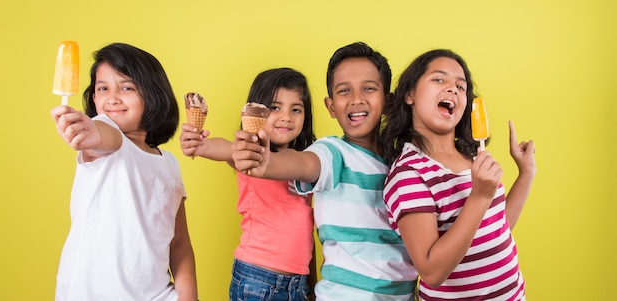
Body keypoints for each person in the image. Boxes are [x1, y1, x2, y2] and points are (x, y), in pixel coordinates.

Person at [231, 42, 418, 301]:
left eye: (368, 88)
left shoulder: (401, 163)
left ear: (387, 101)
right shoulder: (332, 152)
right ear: (331, 106)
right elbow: (303, 163)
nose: (356, 99)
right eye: (344, 91)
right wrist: (266, 163)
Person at [380, 49, 536, 300]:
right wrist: (479, 197)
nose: (453, 89)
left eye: (461, 87)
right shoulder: (409, 174)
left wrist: (526, 173)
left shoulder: (472, 156)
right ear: (410, 94)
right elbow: (432, 271)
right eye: (439, 79)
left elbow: (497, 227)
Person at [50, 43, 198, 301]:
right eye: (102, 88)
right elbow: (102, 136)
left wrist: (189, 297)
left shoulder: (170, 165)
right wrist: (87, 131)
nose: (112, 98)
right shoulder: (106, 135)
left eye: (126, 87)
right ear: (94, 98)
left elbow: (179, 243)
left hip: (157, 295)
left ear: (153, 95)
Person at [179, 67, 317, 301]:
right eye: (275, 107)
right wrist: (199, 144)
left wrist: (311, 285)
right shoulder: (248, 156)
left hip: (298, 282)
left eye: (296, 109)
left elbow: (305, 231)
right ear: (257, 112)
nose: (286, 116)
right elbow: (225, 148)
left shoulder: (304, 164)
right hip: (257, 279)